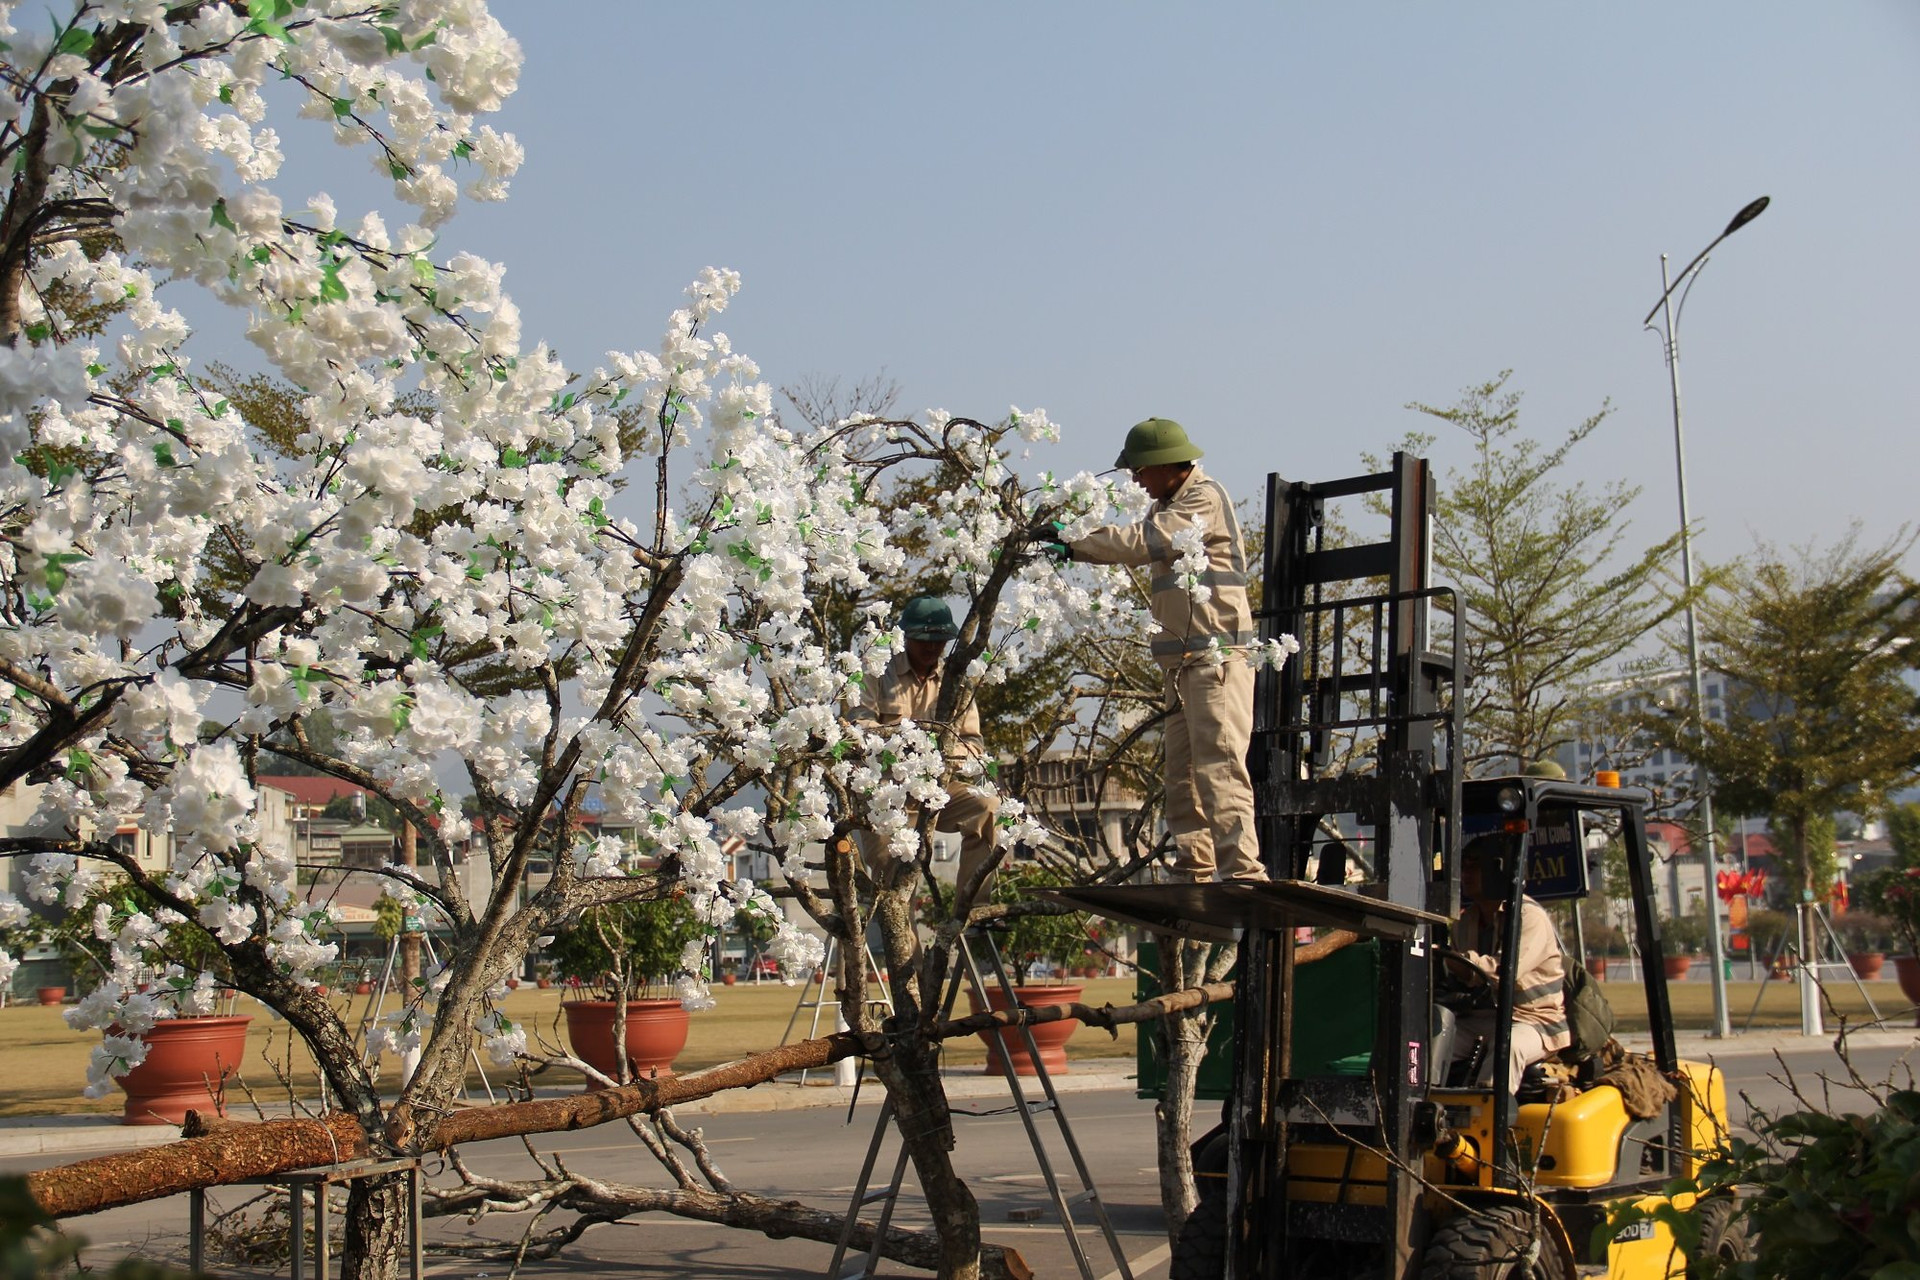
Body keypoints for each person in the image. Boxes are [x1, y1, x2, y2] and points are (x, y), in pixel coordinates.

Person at [1043, 417, 1265, 884]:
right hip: (1184, 666)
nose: (1136, 481)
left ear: (1164, 465)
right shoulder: (1168, 505)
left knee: (1219, 768)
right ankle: (1195, 867)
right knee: (1182, 780)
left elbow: (1143, 543)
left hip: (1216, 660)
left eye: (1140, 471)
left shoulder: (1201, 499)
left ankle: (1242, 871)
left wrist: (1075, 541)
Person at [849, 595, 1001, 910]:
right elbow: (858, 729)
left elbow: (973, 743)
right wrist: (906, 745)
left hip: (940, 788)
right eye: (924, 640)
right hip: (885, 796)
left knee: (988, 807)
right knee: (893, 885)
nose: (932, 647)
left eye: (940, 641)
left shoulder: (956, 681)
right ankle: (910, 961)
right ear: (907, 637)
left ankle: (973, 909)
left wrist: (943, 756)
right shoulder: (874, 672)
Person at [1444, 833, 1571, 1092]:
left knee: (1508, 1045)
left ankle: (1487, 1118)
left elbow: (1506, 971)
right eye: (1463, 866)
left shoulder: (1528, 916)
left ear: (1497, 869)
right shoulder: (1465, 922)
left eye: (1475, 866)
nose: (1466, 874)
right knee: (1429, 1039)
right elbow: (1459, 977)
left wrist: (1457, 961)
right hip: (1483, 1017)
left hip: (1534, 1021)